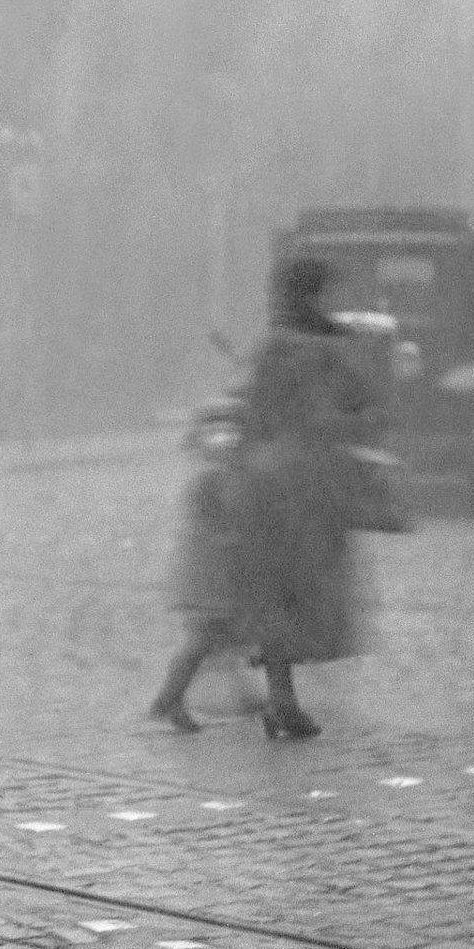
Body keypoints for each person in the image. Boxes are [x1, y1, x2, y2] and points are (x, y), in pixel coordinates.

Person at [230, 257, 379, 740]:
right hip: (312, 480)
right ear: (315, 295)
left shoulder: (276, 345)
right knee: (305, 586)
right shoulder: (330, 346)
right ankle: (283, 701)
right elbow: (360, 399)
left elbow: (255, 412)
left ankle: (282, 696)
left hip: (270, 477)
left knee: (276, 587)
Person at [147, 397, 251, 733]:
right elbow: (214, 523)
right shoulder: (210, 478)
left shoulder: (221, 475)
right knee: (204, 638)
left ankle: (177, 699)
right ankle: (168, 697)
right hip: (209, 575)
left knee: (213, 638)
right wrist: (234, 537)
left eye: (232, 433)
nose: (227, 440)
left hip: (213, 573)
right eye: (218, 434)